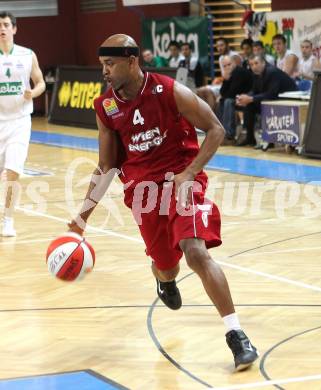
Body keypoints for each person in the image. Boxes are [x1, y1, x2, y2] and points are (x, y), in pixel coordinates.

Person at [68, 33, 259, 371]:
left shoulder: (168, 90)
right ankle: (164, 279)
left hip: (182, 182)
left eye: (110, 64)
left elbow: (216, 130)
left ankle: (236, 335)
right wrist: (82, 217)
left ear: (132, 60)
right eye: (102, 65)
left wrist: (191, 172)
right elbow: (107, 165)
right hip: (144, 195)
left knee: (195, 251)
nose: (105, 72)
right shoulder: (106, 107)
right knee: (167, 264)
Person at [0, 11, 45, 236]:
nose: (3, 28)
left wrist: (33, 92)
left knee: (12, 172)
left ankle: (8, 220)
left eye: (6, 24)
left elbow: (41, 83)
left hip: (19, 121)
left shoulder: (28, 55)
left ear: (14, 29)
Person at [236, 54, 297, 147]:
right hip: (274, 99)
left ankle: (269, 140)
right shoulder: (256, 74)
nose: (254, 67)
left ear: (263, 62)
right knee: (249, 105)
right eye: (251, 64)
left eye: (256, 63)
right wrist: (245, 97)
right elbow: (255, 90)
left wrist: (251, 98)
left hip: (288, 100)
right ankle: (250, 138)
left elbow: (272, 94)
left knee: (262, 103)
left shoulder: (272, 72)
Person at [218, 55, 253, 142]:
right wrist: (225, 80)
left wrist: (224, 95)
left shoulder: (239, 72)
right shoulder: (230, 74)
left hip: (249, 98)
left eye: (229, 64)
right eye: (224, 66)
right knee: (222, 101)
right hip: (238, 98)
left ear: (234, 63)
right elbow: (222, 92)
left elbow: (232, 93)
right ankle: (220, 131)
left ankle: (229, 134)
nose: (227, 67)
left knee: (228, 101)